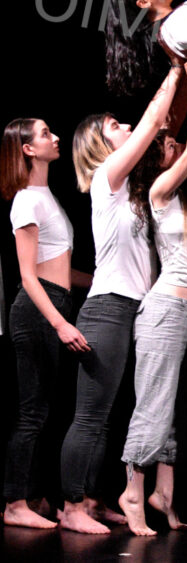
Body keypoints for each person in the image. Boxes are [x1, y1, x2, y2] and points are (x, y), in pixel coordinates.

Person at [61, 66, 183, 535]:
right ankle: (72, 506)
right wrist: (174, 70)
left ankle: (92, 498)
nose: (126, 127)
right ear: (99, 144)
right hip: (110, 307)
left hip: (139, 307)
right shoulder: (106, 177)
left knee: (116, 413)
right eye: (115, 126)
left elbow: (164, 129)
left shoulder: (131, 187)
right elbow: (153, 122)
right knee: (90, 414)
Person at [119, 63, 187, 536]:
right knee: (153, 404)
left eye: (175, 143)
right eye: (168, 146)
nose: (177, 147)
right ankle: (132, 494)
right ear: (157, 158)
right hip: (164, 310)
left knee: (174, 406)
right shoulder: (158, 191)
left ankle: (164, 495)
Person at [2, 119, 89, 529]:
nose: (55, 137)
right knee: (32, 412)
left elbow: (58, 268)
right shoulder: (25, 201)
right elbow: (28, 276)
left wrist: (99, 281)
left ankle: (36, 497)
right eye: (44, 134)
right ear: (27, 150)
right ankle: (15, 504)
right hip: (38, 310)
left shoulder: (45, 197)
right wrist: (59, 324)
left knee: (48, 412)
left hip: (56, 302)